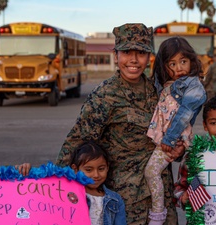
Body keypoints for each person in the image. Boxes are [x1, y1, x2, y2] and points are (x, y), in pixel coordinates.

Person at [55, 23, 184, 225]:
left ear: (149, 57)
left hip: (162, 200)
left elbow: (174, 133)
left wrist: (178, 151)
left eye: (140, 52)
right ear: (116, 56)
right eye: (126, 52)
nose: (133, 60)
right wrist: (50, 187)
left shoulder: (159, 91)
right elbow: (76, 144)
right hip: (127, 205)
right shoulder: (105, 95)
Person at [144, 37, 206, 225]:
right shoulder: (168, 83)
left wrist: (169, 139)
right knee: (188, 176)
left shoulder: (193, 85)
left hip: (176, 138)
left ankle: (157, 213)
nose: (179, 68)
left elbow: (184, 115)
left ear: (191, 61)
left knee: (151, 172)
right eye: (172, 63)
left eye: (183, 62)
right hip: (168, 137)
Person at [17, 142, 127, 225]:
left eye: (101, 169)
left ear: (107, 167)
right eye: (88, 170)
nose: (96, 174)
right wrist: (27, 171)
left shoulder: (115, 200)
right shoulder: (64, 193)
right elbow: (40, 192)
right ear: (75, 169)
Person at [173, 94, 216, 209]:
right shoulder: (195, 156)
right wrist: (182, 197)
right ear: (205, 125)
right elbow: (180, 187)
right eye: (213, 123)